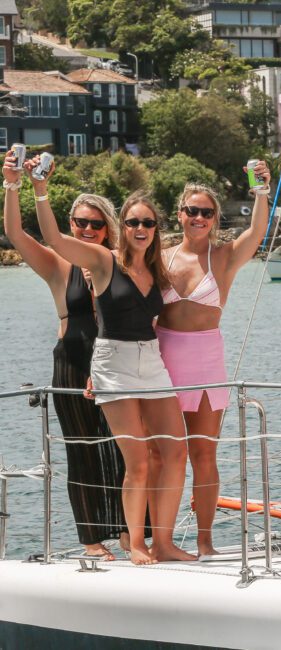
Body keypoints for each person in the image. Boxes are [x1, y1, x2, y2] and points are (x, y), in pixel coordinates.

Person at [30, 157, 192, 566]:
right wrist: (40, 188)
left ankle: (165, 542)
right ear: (124, 227)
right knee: (136, 461)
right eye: (134, 223)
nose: (141, 230)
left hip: (150, 360)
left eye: (148, 224)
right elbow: (52, 236)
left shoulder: (158, 269)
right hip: (113, 362)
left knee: (175, 451)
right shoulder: (104, 263)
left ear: (156, 229)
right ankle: (136, 543)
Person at [2, 151, 128, 559]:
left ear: (108, 230)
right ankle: (91, 541)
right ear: (70, 225)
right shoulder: (59, 267)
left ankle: (131, 533)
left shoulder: (122, 265)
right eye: (80, 223)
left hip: (118, 365)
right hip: (72, 365)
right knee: (82, 450)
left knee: (128, 450)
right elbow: (17, 234)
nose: (87, 229)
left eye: (96, 224)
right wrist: (14, 182)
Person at [157, 167, 270, 557]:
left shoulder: (223, 257)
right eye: (192, 211)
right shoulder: (160, 258)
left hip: (206, 361)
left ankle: (205, 542)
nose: (198, 218)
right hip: (163, 361)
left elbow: (256, 232)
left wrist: (260, 188)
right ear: (180, 214)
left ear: (215, 219)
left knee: (203, 454)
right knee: (164, 455)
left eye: (206, 213)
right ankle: (161, 540)